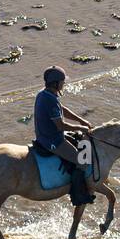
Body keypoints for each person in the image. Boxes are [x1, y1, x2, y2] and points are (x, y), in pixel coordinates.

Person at [33, 66, 95, 203]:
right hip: (52, 140)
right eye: (62, 81)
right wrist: (82, 128)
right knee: (82, 162)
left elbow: (62, 109)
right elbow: (61, 125)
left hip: (44, 135)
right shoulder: (50, 99)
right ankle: (78, 195)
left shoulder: (44, 94)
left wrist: (81, 119)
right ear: (56, 83)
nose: (64, 84)